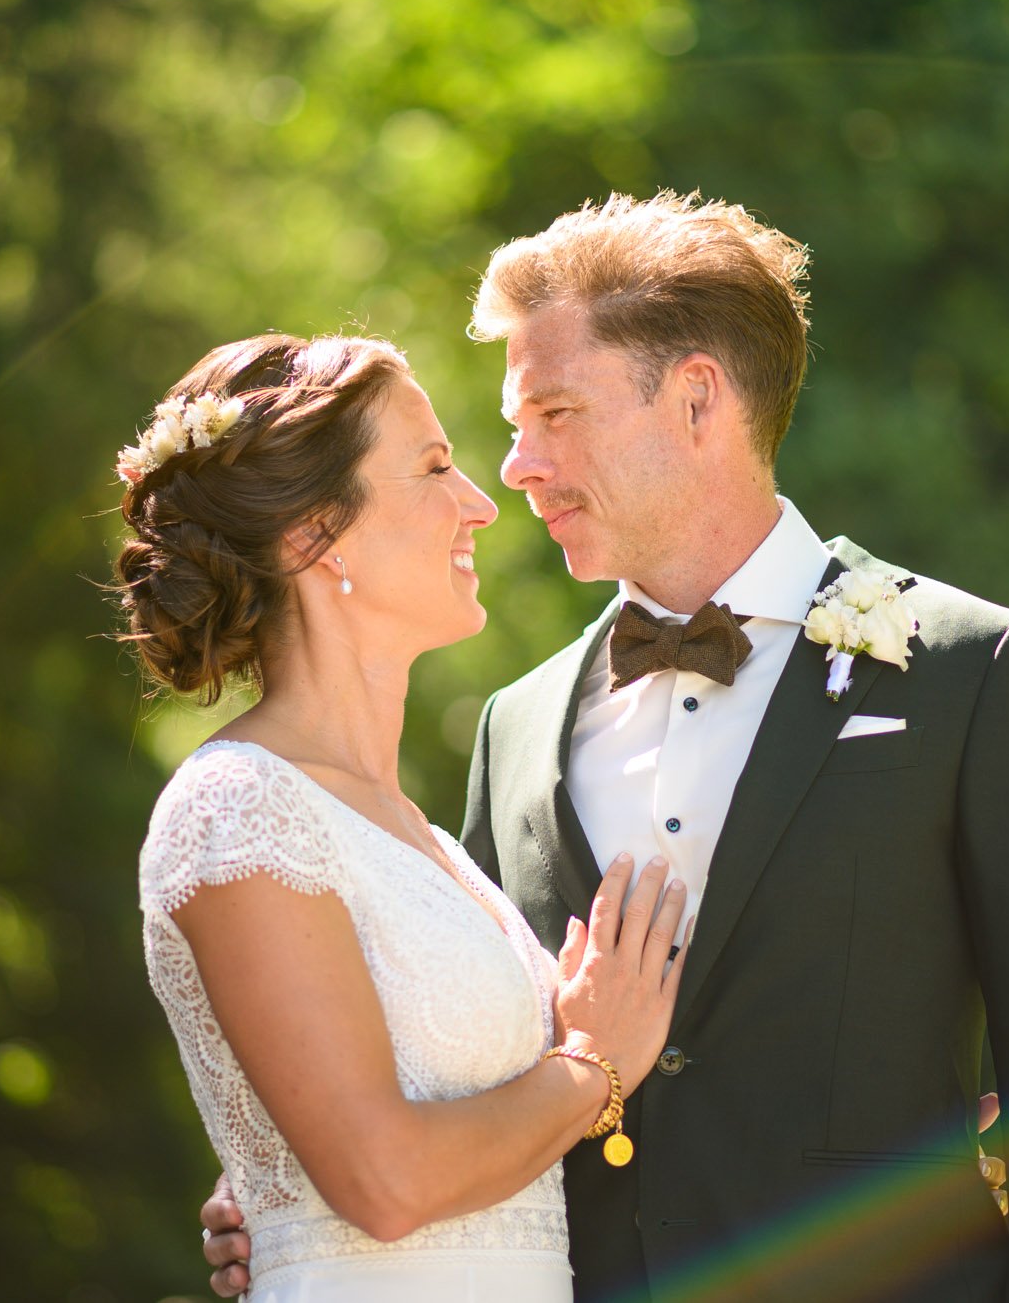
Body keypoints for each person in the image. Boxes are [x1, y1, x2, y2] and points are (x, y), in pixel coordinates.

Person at [202, 192, 1009, 1301]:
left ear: (696, 399)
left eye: (554, 414)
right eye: (514, 425)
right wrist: (290, 1196)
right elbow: (470, 1059)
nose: (516, 468)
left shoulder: (975, 674)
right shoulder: (516, 726)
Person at [122, 332, 696, 1301]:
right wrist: (592, 1063)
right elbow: (382, 1185)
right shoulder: (237, 807)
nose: (478, 503)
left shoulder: (423, 840)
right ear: (313, 534)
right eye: (433, 467)